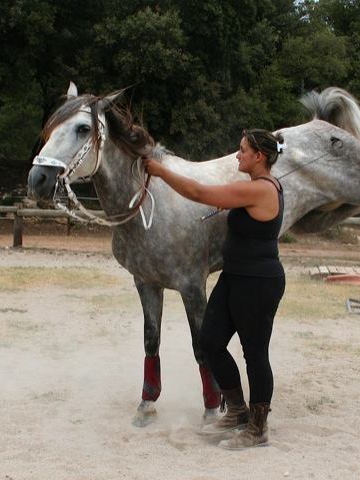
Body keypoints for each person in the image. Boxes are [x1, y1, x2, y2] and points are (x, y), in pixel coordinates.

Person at [142, 129, 286, 450]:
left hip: (258, 282)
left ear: (258, 157)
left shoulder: (262, 189)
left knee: (255, 354)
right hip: (233, 277)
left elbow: (197, 192)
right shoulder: (250, 191)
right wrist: (234, 209)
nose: (237, 155)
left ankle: (258, 428)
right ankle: (236, 411)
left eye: (242, 150)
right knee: (210, 340)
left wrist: (162, 170)